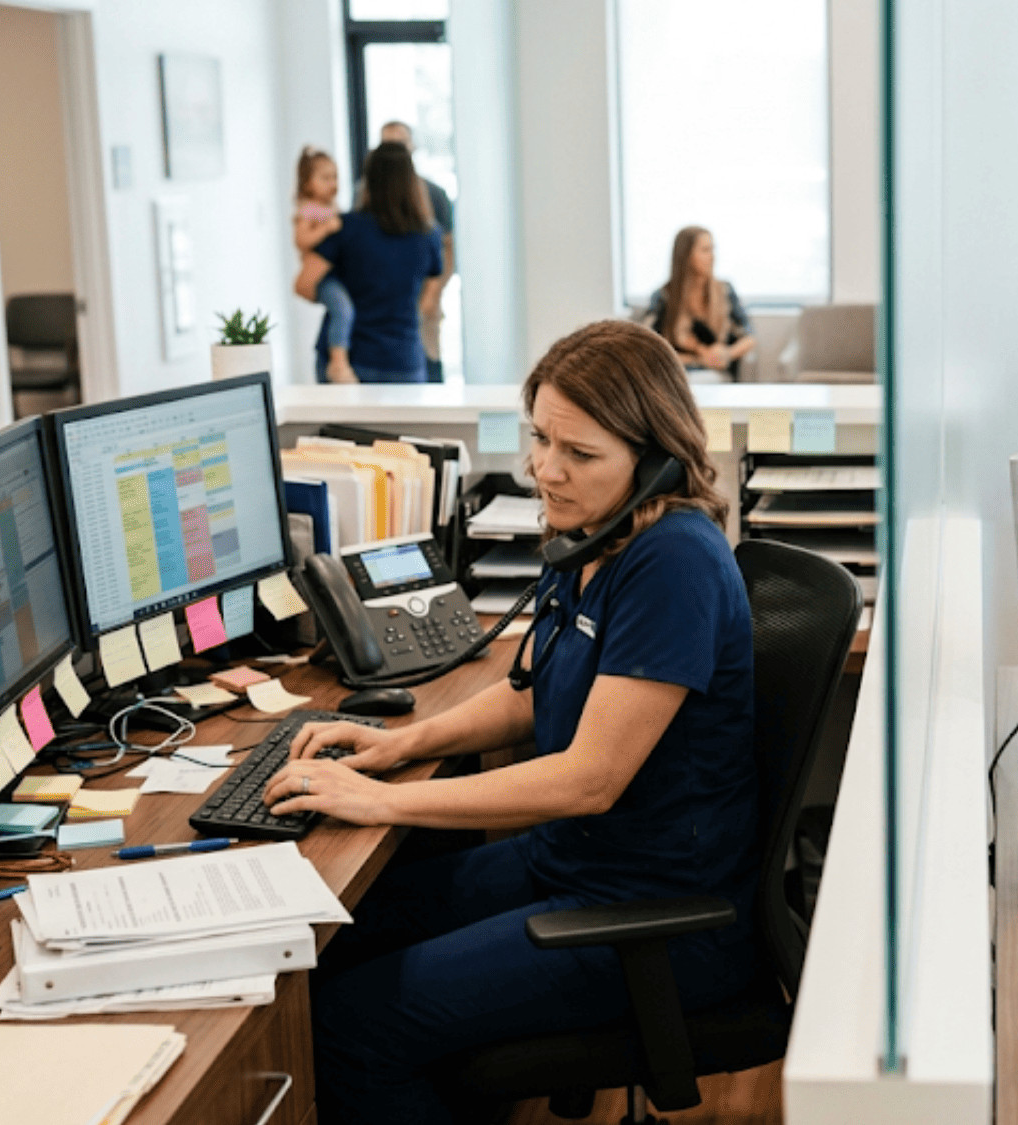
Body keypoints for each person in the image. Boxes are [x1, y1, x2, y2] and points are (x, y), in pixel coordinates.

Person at [261, 319, 758, 1124]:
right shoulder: (592, 535)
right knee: (329, 937)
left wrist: (382, 800)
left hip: (652, 914)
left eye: (580, 454)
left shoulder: (675, 562)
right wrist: (398, 745)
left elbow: (588, 778)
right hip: (571, 863)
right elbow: (535, 686)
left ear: (655, 458)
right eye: (540, 440)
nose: (546, 472)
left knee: (353, 1024)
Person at [295, 143, 443, 383]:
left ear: (369, 181)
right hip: (404, 361)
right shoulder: (430, 234)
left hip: (352, 362)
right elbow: (429, 297)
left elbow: (303, 284)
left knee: (340, 423)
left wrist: (336, 300)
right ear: (411, 180)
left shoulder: (346, 227)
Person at [375, 120, 455, 382]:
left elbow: (447, 250)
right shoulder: (365, 194)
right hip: (383, 311)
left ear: (413, 146)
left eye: (400, 144)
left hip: (423, 299)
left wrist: (432, 297)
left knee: (429, 364)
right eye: (388, 145)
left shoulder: (435, 194)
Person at [646, 225, 755, 381]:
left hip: (716, 371)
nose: (712, 256)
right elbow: (648, 344)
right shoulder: (664, 296)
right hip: (678, 372)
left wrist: (725, 355)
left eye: (713, 249)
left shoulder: (724, 291)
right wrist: (699, 359)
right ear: (686, 256)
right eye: (705, 250)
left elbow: (749, 336)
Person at [291, 147, 356, 383]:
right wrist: (325, 229)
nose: (332, 183)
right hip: (322, 278)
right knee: (343, 310)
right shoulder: (308, 210)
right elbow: (300, 241)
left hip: (335, 274)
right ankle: (338, 362)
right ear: (308, 183)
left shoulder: (333, 208)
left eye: (335, 177)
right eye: (325, 178)